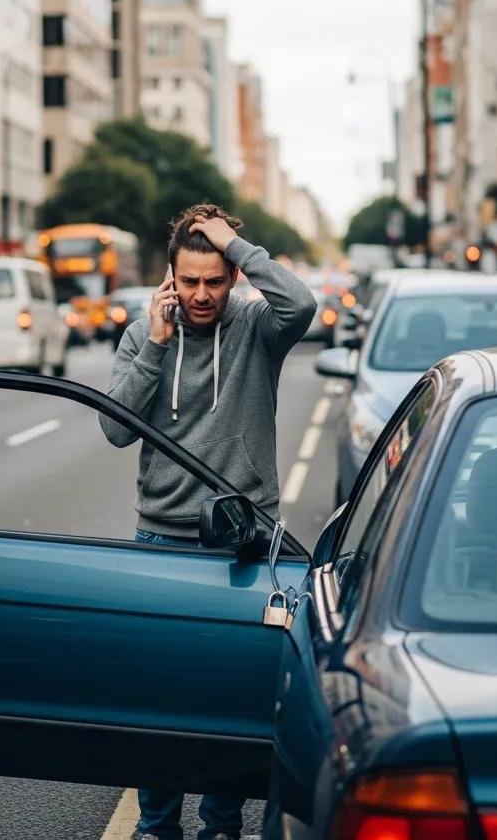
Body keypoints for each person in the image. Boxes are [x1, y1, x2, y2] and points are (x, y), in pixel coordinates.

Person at [99, 203, 317, 840]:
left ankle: (221, 826)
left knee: (232, 697)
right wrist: (156, 346)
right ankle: (156, 826)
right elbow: (114, 428)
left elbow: (301, 303)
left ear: (233, 278)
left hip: (244, 543)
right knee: (159, 699)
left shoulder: (256, 326)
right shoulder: (143, 335)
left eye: (214, 281)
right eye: (189, 281)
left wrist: (238, 246)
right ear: (170, 279)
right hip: (161, 539)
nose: (201, 295)